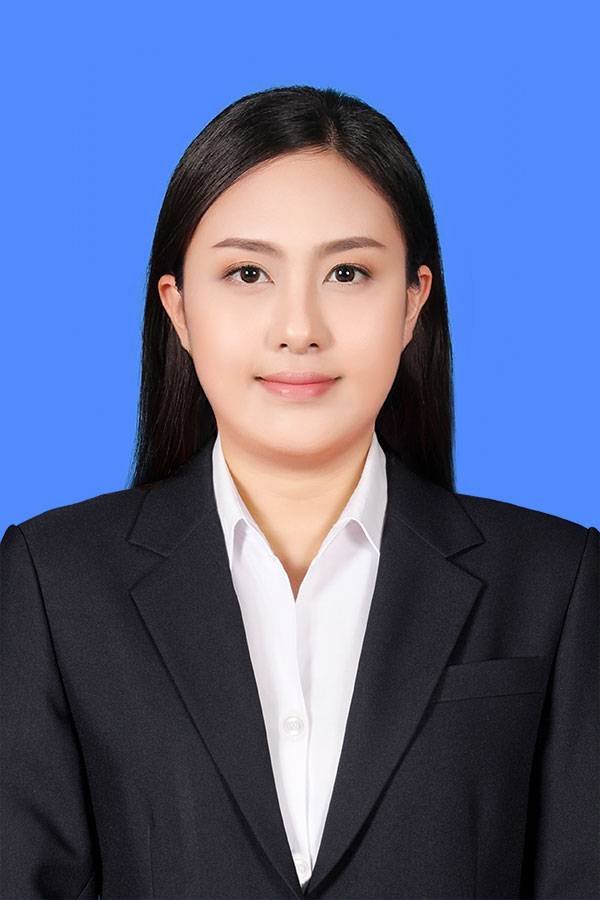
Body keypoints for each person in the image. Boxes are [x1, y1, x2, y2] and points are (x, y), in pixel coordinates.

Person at [1, 84, 597, 900]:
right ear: (179, 308)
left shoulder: (557, 581)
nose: (299, 329)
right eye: (247, 272)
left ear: (412, 303)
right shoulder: (54, 582)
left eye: (348, 272)